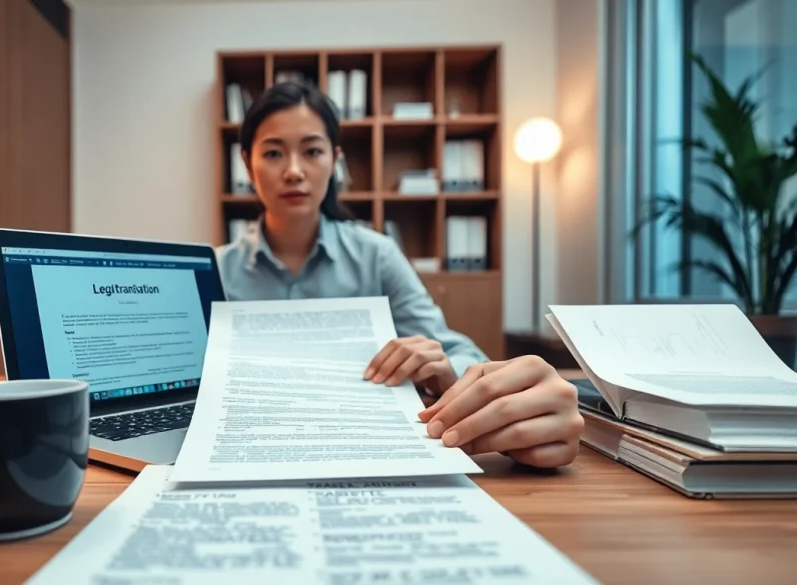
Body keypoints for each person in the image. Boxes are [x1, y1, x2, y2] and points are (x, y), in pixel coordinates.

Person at [215, 81, 584, 469]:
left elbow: (455, 352)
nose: (293, 171)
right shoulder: (217, 270)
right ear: (246, 163)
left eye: (312, 151)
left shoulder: (377, 255)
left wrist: (448, 374)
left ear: (334, 159)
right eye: (273, 153)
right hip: (249, 448)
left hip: (361, 449)